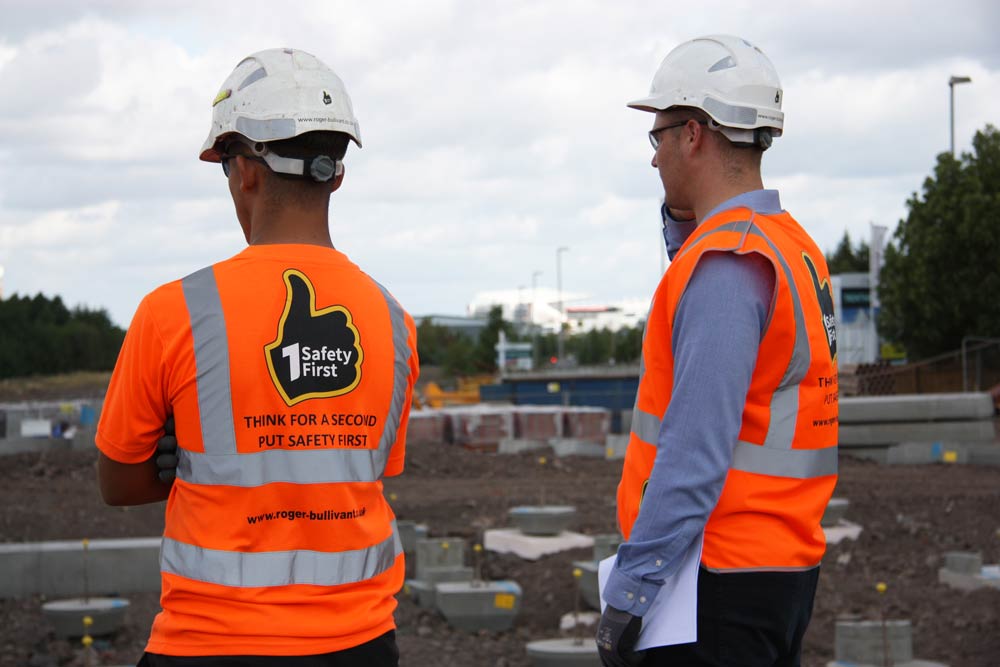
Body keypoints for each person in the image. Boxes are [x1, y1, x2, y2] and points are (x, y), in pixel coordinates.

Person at [96, 48, 419, 666]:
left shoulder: (174, 312)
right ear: (337, 174)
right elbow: (363, 467)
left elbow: (118, 482)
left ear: (246, 171)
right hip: (361, 645)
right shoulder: (393, 321)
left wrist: (178, 456)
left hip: (210, 643)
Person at [596, 35, 839, 667]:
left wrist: (632, 585)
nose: (653, 160)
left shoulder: (728, 263)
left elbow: (695, 448)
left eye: (658, 136)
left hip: (716, 585)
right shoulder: (789, 249)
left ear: (695, 133)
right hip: (777, 569)